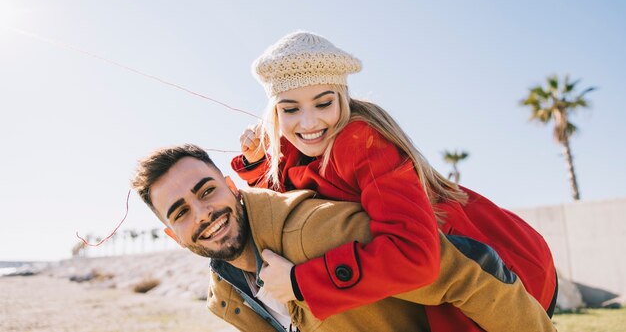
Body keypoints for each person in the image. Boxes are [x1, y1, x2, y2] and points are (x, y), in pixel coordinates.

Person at [233, 30, 558, 331]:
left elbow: (415, 255)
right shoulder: (298, 151)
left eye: (323, 103)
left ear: (343, 98)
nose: (308, 121)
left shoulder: (361, 142)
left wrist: (301, 283)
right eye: (290, 109)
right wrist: (257, 162)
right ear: (274, 112)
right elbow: (296, 208)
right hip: (451, 278)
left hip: (498, 266)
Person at [132, 144, 555, 332]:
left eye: (206, 191)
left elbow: (466, 269)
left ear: (230, 185)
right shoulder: (223, 292)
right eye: (182, 211)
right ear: (173, 235)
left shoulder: (312, 230)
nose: (203, 213)